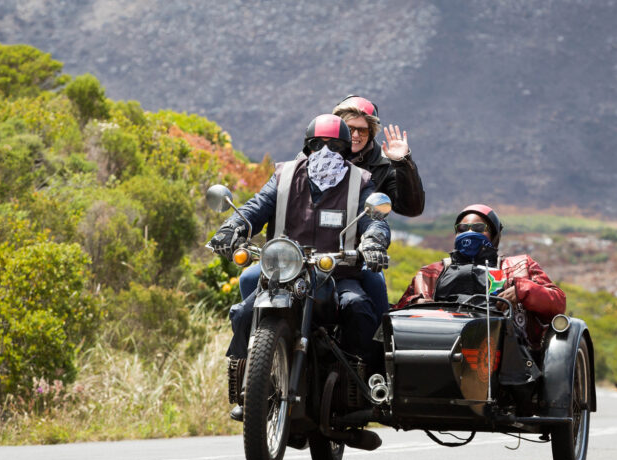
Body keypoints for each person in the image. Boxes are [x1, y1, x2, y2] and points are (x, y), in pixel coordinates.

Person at [209, 114, 391, 421]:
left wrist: (373, 241)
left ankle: (361, 389)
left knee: (357, 307)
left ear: (346, 149)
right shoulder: (284, 175)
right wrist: (233, 227)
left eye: (335, 146)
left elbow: (375, 220)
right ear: (307, 146)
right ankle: (246, 390)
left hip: (338, 273)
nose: (326, 151)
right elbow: (257, 205)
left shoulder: (360, 181)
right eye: (318, 144)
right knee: (242, 313)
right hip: (284, 272)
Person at [239, 95, 425, 321]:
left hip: (350, 258)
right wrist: (235, 227)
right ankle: (253, 339)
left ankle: (377, 340)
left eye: (363, 130)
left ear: (371, 133)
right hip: (295, 259)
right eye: (349, 128)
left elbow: (407, 209)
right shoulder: (302, 164)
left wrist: (403, 163)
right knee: (248, 282)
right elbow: (263, 204)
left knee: (372, 287)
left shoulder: (377, 169)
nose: (355, 135)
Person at [394, 204, 565, 347]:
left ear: (494, 234)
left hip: (509, 350)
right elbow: (397, 313)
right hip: (442, 346)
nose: (469, 233)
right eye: (462, 229)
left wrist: (523, 291)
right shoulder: (430, 273)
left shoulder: (520, 265)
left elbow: (557, 302)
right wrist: (415, 303)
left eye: (478, 228)